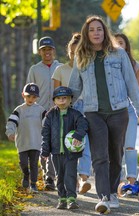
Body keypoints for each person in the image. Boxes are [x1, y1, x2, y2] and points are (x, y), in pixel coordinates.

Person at [68, 15, 139, 214]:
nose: (96, 33)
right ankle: (103, 196)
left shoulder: (118, 54)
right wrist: (63, 108)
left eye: (99, 29)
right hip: (93, 112)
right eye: (92, 30)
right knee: (99, 155)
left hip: (119, 111)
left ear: (105, 33)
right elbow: (74, 87)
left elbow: (131, 83)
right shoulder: (81, 56)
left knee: (115, 154)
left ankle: (112, 192)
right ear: (87, 34)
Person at [52, 33, 92, 195]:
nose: (76, 55)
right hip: (68, 109)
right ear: (69, 52)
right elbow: (54, 94)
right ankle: (72, 179)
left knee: (85, 142)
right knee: (68, 144)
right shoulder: (60, 70)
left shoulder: (88, 66)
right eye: (73, 52)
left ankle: (84, 179)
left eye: (79, 52)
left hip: (87, 107)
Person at [41, 86, 88, 210]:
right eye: (59, 98)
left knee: (70, 175)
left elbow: (83, 125)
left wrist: (78, 135)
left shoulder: (75, 114)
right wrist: (45, 151)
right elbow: (45, 133)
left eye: (65, 98)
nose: (62, 101)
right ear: (54, 101)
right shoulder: (50, 115)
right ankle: (62, 199)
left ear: (70, 100)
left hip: (71, 153)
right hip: (56, 153)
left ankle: (72, 199)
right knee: (59, 176)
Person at [26, 36, 62, 191]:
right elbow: (28, 90)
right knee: (42, 145)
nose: (47, 52)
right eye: (44, 50)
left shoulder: (60, 67)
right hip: (39, 112)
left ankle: (50, 177)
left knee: (54, 144)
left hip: (57, 110)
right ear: (40, 52)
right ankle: (45, 172)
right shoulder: (34, 69)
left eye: (49, 49)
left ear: (53, 50)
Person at [5, 83, 46, 193]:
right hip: (22, 142)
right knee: (23, 163)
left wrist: (48, 135)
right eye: (28, 96)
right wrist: (10, 133)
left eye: (33, 97)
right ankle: (25, 174)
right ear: (23, 95)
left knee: (33, 164)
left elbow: (46, 124)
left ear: (37, 97)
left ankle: (33, 184)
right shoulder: (19, 110)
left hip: (36, 142)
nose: (31, 99)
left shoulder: (41, 110)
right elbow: (11, 123)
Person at [114, 33, 139, 186]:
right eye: (115, 43)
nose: (118, 46)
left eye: (121, 43)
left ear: (126, 46)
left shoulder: (135, 65)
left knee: (130, 146)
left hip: (129, 109)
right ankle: (116, 182)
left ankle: (132, 181)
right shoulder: (109, 64)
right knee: (116, 147)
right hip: (113, 110)